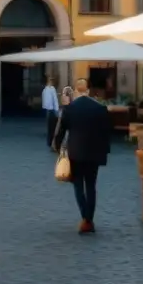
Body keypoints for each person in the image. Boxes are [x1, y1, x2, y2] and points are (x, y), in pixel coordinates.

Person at [53, 78, 113, 234]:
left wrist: (59, 149)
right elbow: (107, 132)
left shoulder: (70, 108)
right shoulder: (100, 108)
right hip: (94, 153)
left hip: (76, 152)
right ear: (88, 90)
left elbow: (60, 132)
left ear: (76, 90)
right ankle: (89, 220)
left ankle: (86, 219)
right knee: (91, 186)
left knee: (78, 186)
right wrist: (105, 150)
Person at [42, 76, 60, 149]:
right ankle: (53, 142)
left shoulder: (45, 90)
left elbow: (45, 101)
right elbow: (55, 99)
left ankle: (50, 142)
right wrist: (57, 109)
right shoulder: (51, 89)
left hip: (48, 109)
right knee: (53, 127)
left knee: (50, 127)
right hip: (52, 109)